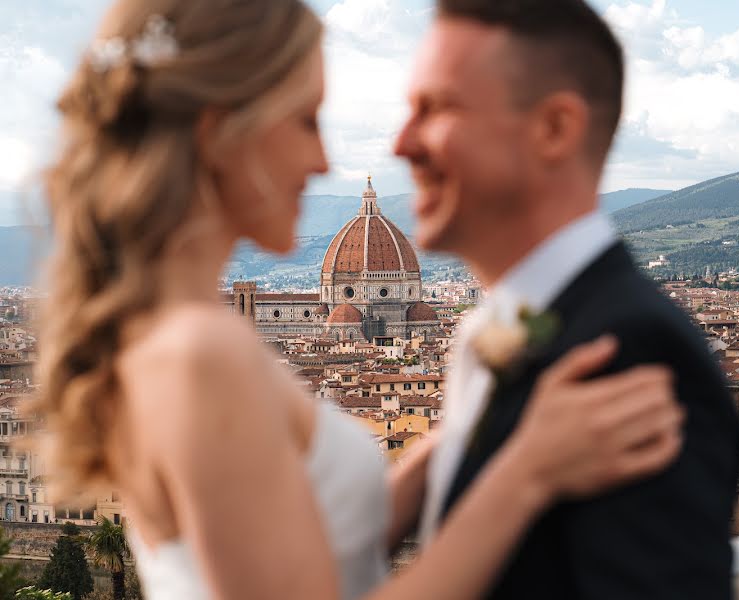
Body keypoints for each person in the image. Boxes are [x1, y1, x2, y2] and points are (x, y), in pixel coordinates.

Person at [35, 1, 685, 599]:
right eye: (305, 118)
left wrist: (469, 424)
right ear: (219, 131)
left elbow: (309, 556)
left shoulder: (170, 334)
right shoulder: (202, 353)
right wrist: (527, 474)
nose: (323, 160)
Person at [395, 0, 739, 598]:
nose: (402, 143)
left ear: (554, 129)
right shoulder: (504, 332)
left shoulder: (631, 353)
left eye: (437, 108)